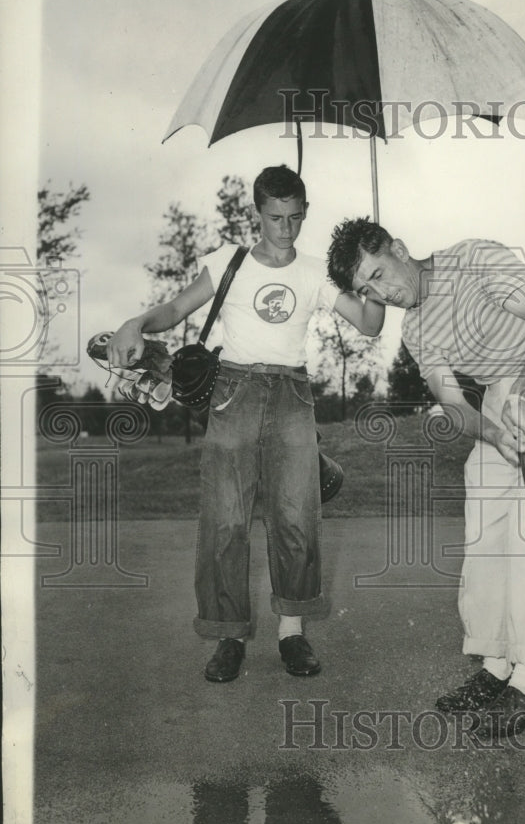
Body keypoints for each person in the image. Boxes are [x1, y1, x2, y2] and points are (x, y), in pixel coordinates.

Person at [107, 167, 384, 683]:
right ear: (256, 213)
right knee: (226, 521)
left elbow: (369, 326)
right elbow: (174, 308)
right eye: (276, 218)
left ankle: (292, 633)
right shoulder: (226, 261)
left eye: (296, 218)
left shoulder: (315, 273)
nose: (286, 229)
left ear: (305, 212)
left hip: (293, 395)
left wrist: (373, 271)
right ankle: (228, 635)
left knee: (297, 518)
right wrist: (135, 324)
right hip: (233, 393)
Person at [327, 219, 525, 741]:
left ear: (400, 249)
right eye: (367, 290)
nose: (382, 292)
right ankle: (496, 665)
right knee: (487, 536)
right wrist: (495, 433)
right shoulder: (413, 329)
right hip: (502, 401)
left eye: (380, 273)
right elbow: (453, 406)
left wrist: (523, 391)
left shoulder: (472, 257)